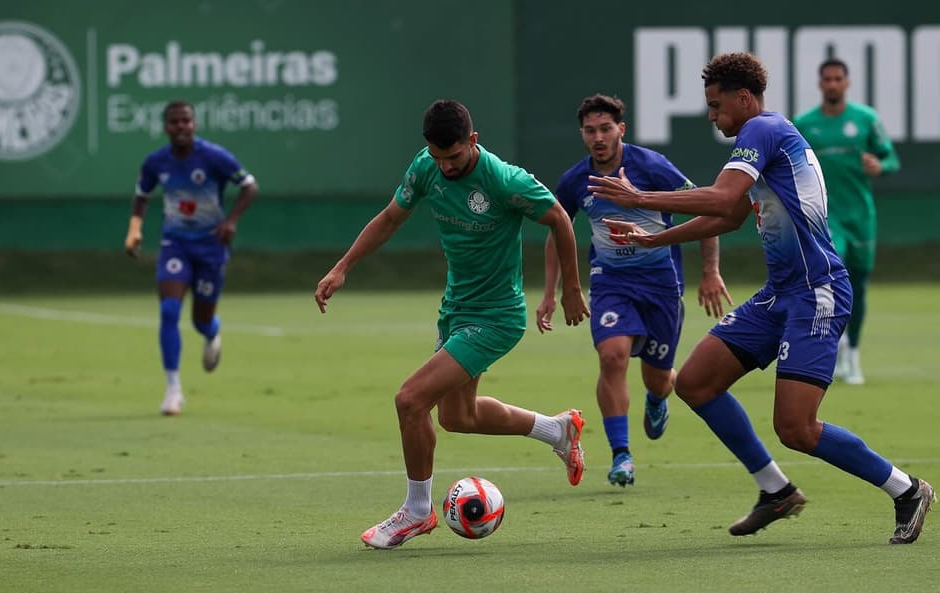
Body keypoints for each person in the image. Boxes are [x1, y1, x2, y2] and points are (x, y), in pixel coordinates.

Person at [587, 52, 934, 544]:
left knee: (796, 428)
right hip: (780, 294)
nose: (711, 116)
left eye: (715, 105)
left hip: (817, 292)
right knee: (697, 382)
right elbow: (729, 217)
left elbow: (723, 198)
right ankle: (775, 490)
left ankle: (907, 490)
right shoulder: (762, 139)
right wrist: (653, 239)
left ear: (743, 98)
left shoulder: (763, 130)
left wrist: (640, 199)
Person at [315, 99, 590, 550]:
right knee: (458, 416)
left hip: (497, 316)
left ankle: (417, 512)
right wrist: (343, 267)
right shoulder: (426, 167)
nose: (445, 167)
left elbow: (559, 217)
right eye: (438, 157)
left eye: (454, 157)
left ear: (473, 142)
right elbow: (389, 218)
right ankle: (557, 429)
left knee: (410, 400)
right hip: (457, 309)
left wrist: (572, 290)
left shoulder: (504, 181)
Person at [535, 94, 731, 489]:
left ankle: (658, 399)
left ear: (621, 129)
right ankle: (621, 454)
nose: (598, 137)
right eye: (590, 131)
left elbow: (706, 210)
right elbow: (559, 231)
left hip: (661, 285)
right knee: (612, 356)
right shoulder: (576, 180)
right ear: (582, 135)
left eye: (606, 128)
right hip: (611, 282)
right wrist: (551, 292)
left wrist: (710, 272)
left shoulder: (652, 166)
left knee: (658, 379)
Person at [124, 100, 258, 416]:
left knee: (200, 319)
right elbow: (141, 196)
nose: (181, 126)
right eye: (174, 122)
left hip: (211, 246)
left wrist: (231, 221)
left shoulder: (213, 156)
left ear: (194, 124)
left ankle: (212, 331)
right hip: (175, 244)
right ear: (166, 127)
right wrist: (135, 229)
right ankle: (173, 390)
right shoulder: (156, 162)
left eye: (186, 121)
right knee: (169, 310)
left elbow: (250, 186)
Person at [793, 58, 901, 385]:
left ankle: (853, 353)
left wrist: (879, 166)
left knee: (859, 286)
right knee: (831, 278)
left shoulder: (866, 120)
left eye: (838, 79)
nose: (833, 84)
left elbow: (891, 158)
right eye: (827, 79)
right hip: (826, 218)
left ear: (847, 82)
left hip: (861, 217)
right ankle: (834, 349)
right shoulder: (804, 124)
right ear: (820, 83)